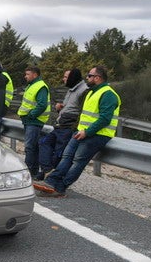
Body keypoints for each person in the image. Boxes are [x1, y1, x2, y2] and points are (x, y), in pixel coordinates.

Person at [37, 66, 121, 198]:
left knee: (78, 161)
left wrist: (87, 132)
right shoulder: (92, 92)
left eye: (89, 75)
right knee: (67, 156)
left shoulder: (108, 94)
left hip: (97, 135)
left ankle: (60, 188)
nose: (86, 78)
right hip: (81, 131)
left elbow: (105, 119)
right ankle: (50, 182)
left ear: (97, 78)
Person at [37, 68, 87, 179]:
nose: (63, 79)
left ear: (72, 77)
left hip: (68, 127)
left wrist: (74, 127)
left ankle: (51, 176)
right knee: (44, 142)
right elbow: (70, 108)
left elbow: (81, 111)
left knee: (59, 153)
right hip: (60, 125)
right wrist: (60, 109)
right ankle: (47, 170)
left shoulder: (84, 90)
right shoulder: (71, 90)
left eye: (65, 77)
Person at [17, 66, 49, 180]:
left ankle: (28, 172)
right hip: (30, 121)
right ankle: (33, 172)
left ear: (35, 75)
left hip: (34, 121)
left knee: (30, 147)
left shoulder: (40, 86)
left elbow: (42, 105)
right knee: (33, 147)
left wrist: (31, 115)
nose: (25, 76)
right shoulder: (32, 85)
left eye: (28, 74)